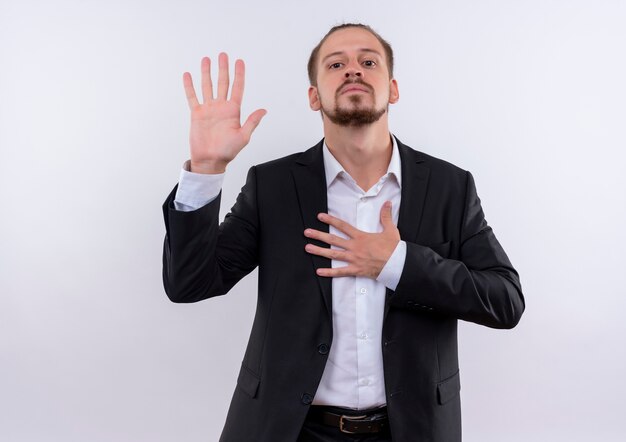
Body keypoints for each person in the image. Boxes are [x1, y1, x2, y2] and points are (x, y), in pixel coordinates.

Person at [162, 23, 524, 442]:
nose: (354, 70)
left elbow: (506, 300)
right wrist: (207, 170)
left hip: (412, 430)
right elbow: (189, 283)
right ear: (314, 95)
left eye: (368, 61)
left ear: (393, 88)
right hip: (289, 430)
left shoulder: (449, 186)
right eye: (336, 64)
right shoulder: (273, 185)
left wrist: (398, 264)